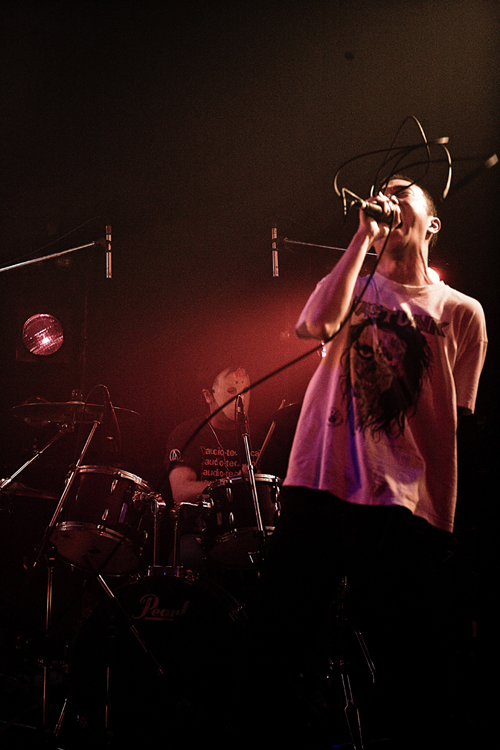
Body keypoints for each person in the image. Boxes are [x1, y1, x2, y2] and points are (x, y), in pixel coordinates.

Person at [256, 177, 488, 747]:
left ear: (432, 224)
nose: (388, 200)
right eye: (382, 193)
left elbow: (457, 418)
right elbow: (314, 326)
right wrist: (363, 237)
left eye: (401, 194)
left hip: (403, 507)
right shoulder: (353, 285)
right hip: (319, 484)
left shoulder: (462, 311)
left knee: (408, 672)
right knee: (275, 651)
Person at [164, 366, 257, 574]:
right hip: (199, 533)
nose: (240, 398)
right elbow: (180, 491)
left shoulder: (258, 436)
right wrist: (235, 482)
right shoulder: (189, 433)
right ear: (208, 396)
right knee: (187, 558)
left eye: (245, 391)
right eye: (231, 391)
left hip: (248, 530)